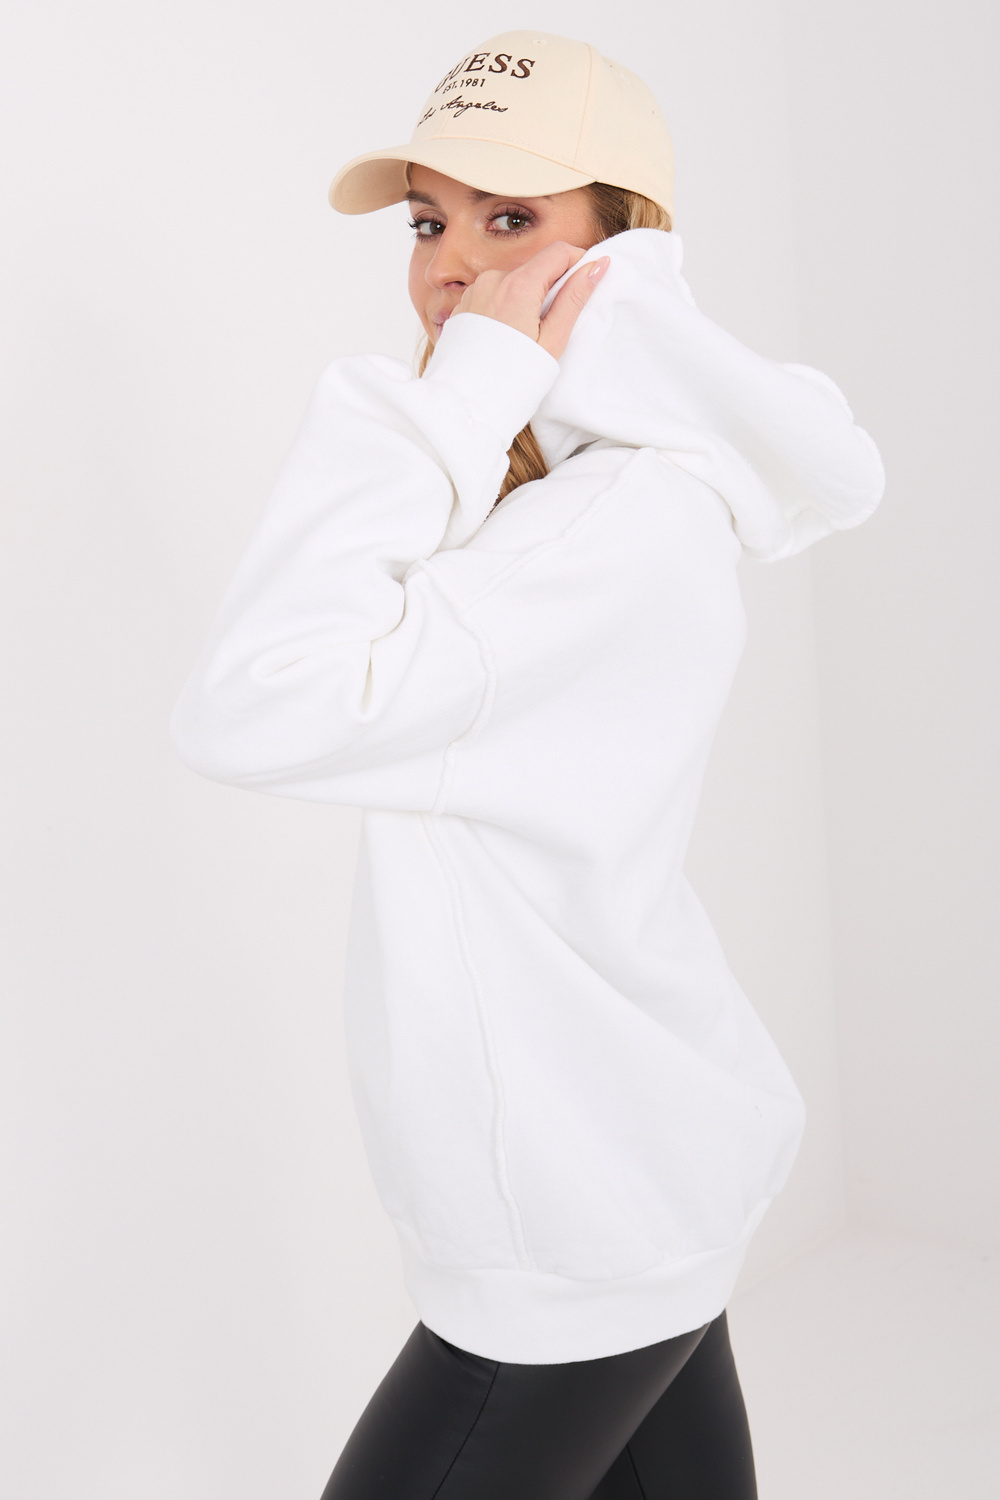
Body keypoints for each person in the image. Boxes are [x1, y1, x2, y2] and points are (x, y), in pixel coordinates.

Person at [170, 29, 885, 1500]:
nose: (450, 269)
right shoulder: (592, 498)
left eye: (510, 220)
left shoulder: (595, 534)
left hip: (572, 1215)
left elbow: (250, 702)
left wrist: (451, 398)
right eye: (428, 222)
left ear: (624, 254)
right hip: (633, 1170)